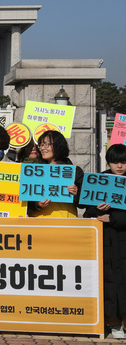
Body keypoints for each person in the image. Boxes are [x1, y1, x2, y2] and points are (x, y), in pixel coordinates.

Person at [83, 144, 126, 338]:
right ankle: (113, 323)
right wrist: (99, 210)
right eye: (115, 161)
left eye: (123, 162)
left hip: (122, 238)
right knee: (107, 281)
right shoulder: (99, 180)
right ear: (108, 161)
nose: (119, 166)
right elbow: (87, 213)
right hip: (106, 241)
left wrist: (114, 218)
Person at [27, 130, 83, 218]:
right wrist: (36, 204)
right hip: (39, 223)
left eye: (47, 144)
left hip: (66, 223)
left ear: (58, 145)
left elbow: (83, 204)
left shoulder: (75, 171)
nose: (42, 148)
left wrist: (76, 194)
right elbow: (23, 199)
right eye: (41, 145)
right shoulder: (34, 171)